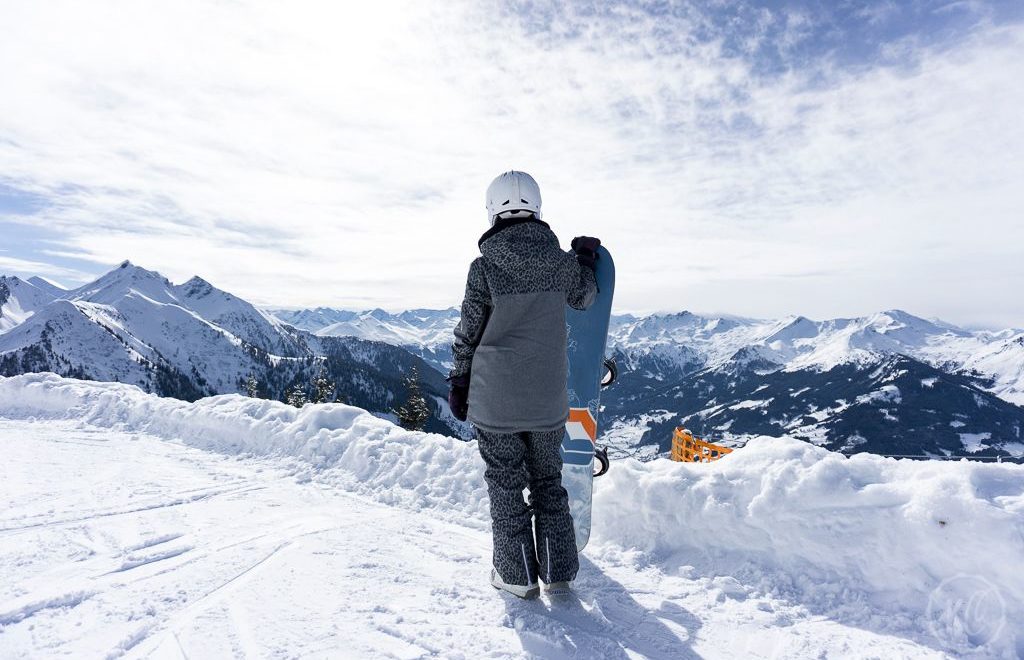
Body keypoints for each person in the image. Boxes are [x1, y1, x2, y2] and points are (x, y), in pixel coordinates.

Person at [448, 170, 600, 599]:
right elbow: (585, 297)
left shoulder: (484, 267)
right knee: (548, 480)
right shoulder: (558, 263)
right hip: (547, 396)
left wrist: (460, 379)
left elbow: (469, 330)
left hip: (495, 399)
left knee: (505, 482)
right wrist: (585, 259)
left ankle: (515, 576)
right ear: (537, 208)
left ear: (493, 211)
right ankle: (558, 569)